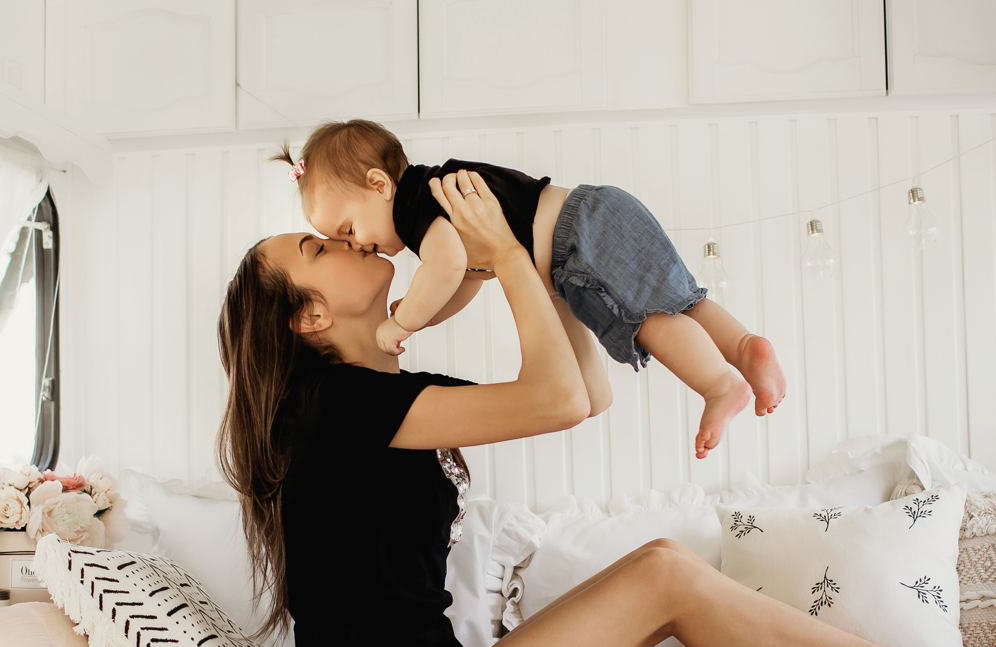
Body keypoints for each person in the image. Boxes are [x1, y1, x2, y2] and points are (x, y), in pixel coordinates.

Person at [216, 169, 996, 647]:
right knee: (663, 574)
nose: (336, 240)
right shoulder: (331, 407)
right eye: (313, 249)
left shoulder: (378, 401)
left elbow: (583, 395)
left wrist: (534, 264)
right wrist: (499, 257)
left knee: (662, 571)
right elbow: (555, 401)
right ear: (305, 317)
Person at [275, 119, 786, 460]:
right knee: (677, 300)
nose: (354, 245)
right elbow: (470, 278)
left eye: (343, 232)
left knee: (648, 320)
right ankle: (744, 347)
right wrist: (429, 313)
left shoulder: (416, 209)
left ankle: (720, 384)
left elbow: (451, 265)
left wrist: (403, 321)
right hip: (593, 214)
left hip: (572, 241)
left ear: (379, 185)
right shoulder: (434, 200)